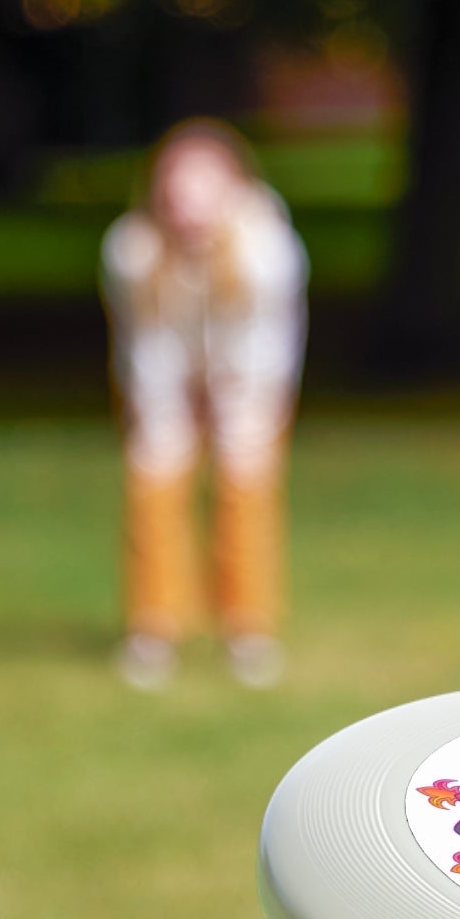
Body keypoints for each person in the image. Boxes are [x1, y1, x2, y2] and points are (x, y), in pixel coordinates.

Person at [101, 119, 308, 690]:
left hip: (249, 381)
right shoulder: (132, 250)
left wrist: (234, 406)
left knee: (246, 487)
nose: (188, 203)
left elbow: (265, 344)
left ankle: (248, 629)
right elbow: (146, 344)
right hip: (163, 379)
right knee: (153, 481)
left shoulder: (267, 248)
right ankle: (154, 627)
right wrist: (166, 413)